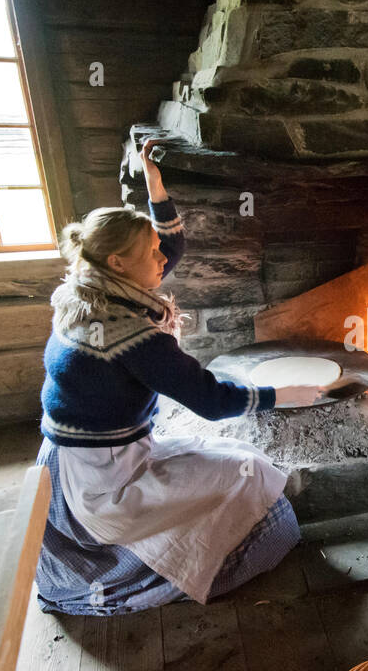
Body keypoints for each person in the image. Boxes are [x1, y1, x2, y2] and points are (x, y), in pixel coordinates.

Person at [34, 138, 322, 615]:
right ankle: (191, 569)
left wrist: (155, 185)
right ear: (119, 264)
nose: (163, 259)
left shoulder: (87, 291)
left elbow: (171, 244)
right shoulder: (127, 334)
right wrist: (284, 393)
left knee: (243, 457)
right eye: (151, 253)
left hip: (76, 455)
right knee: (248, 476)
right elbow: (209, 400)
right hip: (101, 482)